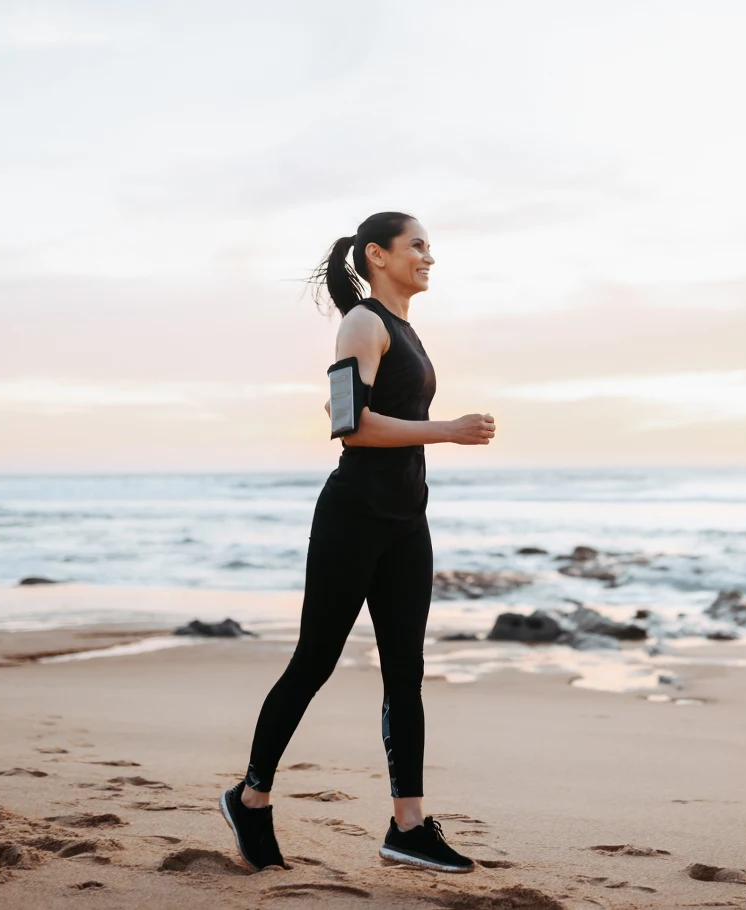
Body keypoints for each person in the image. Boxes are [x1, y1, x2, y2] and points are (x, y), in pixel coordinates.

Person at [221, 211, 497, 873]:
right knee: (315, 661)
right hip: (354, 517)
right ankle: (251, 798)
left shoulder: (404, 329)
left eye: (431, 246)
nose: (430, 256)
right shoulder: (363, 322)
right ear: (378, 254)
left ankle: (408, 826)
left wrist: (430, 433)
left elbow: (364, 412)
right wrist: (447, 429)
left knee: (406, 673)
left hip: (406, 518)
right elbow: (349, 427)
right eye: (418, 245)